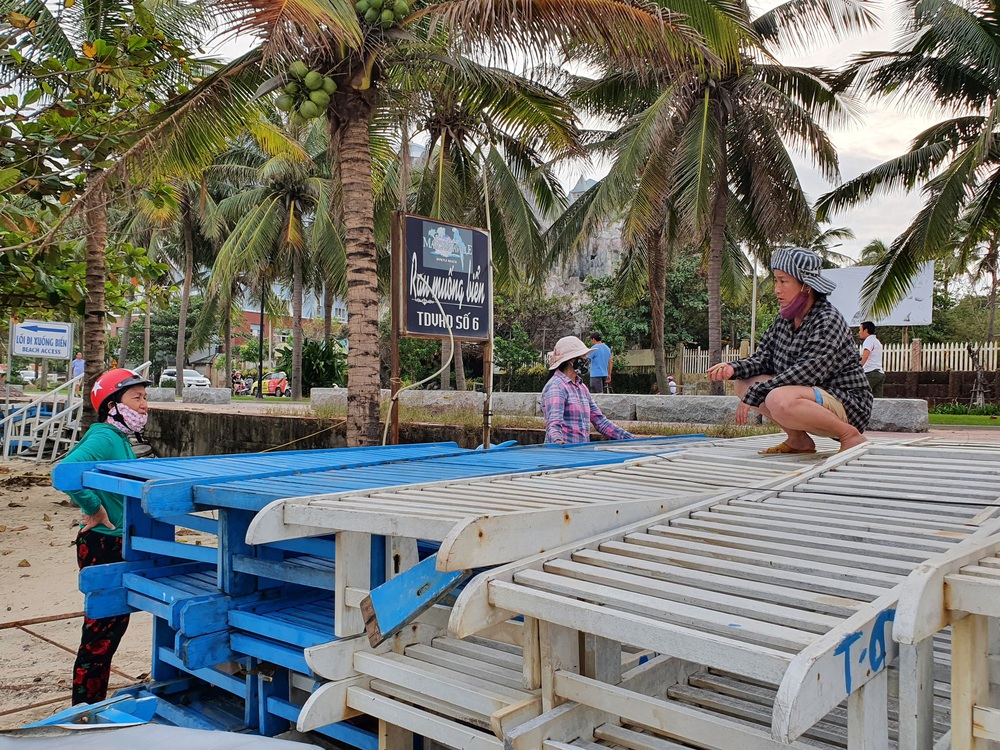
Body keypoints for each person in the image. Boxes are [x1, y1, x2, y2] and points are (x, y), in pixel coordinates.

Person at [707, 247, 872, 454]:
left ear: (805, 286)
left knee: (777, 398)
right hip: (807, 397)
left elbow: (807, 372)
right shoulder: (784, 321)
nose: (777, 289)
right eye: (776, 281)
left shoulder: (828, 320)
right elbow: (763, 359)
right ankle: (798, 441)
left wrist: (758, 391)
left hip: (847, 403)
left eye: (783, 281)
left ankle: (851, 436)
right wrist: (733, 368)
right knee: (743, 383)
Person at [54, 368, 151, 704]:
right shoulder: (104, 437)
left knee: (109, 631)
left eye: (145, 397)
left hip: (115, 543)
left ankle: (90, 703)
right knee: (100, 635)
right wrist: (93, 506)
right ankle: (84, 708)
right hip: (103, 544)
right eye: (136, 398)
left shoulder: (118, 439)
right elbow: (64, 471)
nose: (144, 406)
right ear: (112, 404)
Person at [542, 336, 633, 444]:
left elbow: (600, 421)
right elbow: (554, 424)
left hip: (581, 452)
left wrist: (630, 439)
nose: (586, 360)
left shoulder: (581, 387)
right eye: (583, 356)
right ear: (571, 360)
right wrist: (558, 442)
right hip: (562, 455)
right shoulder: (556, 387)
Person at [859, 321, 885, 397]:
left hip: (870, 373)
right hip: (879, 373)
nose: (859, 332)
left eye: (860, 330)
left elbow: (865, 356)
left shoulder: (868, 341)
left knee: (860, 393)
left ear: (866, 330)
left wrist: (859, 368)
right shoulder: (877, 342)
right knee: (878, 400)